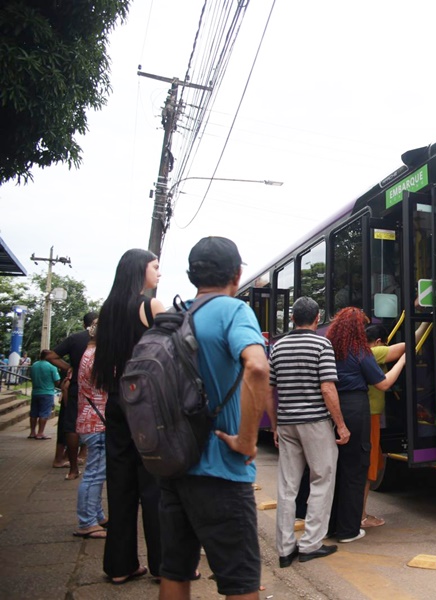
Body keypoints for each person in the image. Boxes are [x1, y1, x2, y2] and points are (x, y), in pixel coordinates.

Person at [156, 236, 269, 600]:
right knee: (240, 581)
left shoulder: (176, 317)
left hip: (173, 466)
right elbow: (256, 367)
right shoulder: (233, 311)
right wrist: (247, 440)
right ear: (237, 274)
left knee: (175, 571)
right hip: (221, 471)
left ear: (192, 275)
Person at [93, 249, 165, 584]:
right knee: (154, 485)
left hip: (116, 401)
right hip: (146, 405)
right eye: (155, 267)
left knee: (120, 486)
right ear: (141, 270)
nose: (158, 273)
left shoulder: (107, 311)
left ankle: (120, 566)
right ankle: (164, 565)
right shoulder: (151, 306)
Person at [267, 296, 350, 568]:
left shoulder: (277, 348)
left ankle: (284, 548)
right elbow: (328, 388)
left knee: (288, 486)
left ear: (292, 319)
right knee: (321, 480)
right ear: (317, 319)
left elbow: (269, 390)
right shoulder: (321, 344)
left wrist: (275, 425)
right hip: (315, 422)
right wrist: (340, 424)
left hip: (287, 422)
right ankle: (311, 544)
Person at [326, 307, 406, 543]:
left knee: (338, 469)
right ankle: (349, 529)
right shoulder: (360, 352)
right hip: (355, 409)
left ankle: (332, 525)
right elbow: (383, 384)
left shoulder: (330, 349)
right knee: (356, 468)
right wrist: (403, 360)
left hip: (333, 409)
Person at [360, 322, 427, 528]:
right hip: (368, 417)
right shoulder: (374, 352)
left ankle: (360, 513)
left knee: (371, 464)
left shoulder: (360, 351)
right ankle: (360, 516)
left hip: (367, 416)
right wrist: (425, 322)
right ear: (380, 342)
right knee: (367, 468)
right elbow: (408, 345)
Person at [46, 311, 99, 478]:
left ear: (85, 325)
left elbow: (51, 355)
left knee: (71, 427)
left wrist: (70, 367)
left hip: (76, 386)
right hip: (99, 390)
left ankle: (73, 468)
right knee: (98, 424)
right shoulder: (107, 340)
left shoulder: (75, 338)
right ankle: (93, 463)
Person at [73, 317, 108, 539]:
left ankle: (96, 514)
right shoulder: (97, 357)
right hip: (98, 420)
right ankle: (87, 522)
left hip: (90, 418)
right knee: (94, 474)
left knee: (97, 472)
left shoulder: (88, 354)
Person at [28, 350, 59, 441]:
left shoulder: (34, 365)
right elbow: (57, 380)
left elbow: (31, 377)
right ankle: (40, 433)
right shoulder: (52, 367)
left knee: (33, 413)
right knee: (44, 413)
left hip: (35, 392)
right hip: (47, 392)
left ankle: (32, 432)